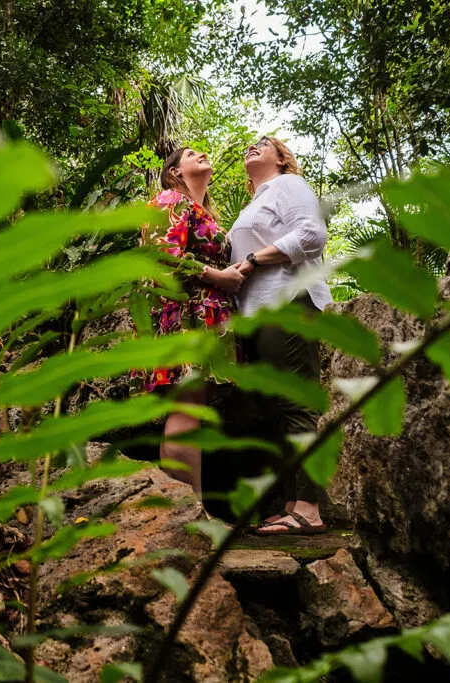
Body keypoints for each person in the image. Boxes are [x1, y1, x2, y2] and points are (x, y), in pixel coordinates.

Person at [228, 136, 332, 536]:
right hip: (257, 313)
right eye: (248, 145)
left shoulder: (289, 185)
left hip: (288, 300)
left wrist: (253, 260)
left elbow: (311, 235)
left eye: (263, 143)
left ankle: (309, 506)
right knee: (274, 408)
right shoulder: (252, 203)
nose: (252, 146)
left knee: (295, 402)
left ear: (282, 158)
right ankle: (291, 502)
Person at [135, 146, 246, 501]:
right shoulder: (169, 199)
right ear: (175, 172)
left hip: (201, 317)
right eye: (191, 154)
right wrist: (218, 275)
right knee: (187, 411)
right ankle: (193, 512)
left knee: (189, 411)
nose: (201, 154)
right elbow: (160, 254)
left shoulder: (200, 210)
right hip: (184, 317)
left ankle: (187, 509)